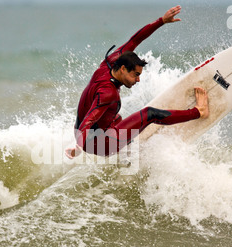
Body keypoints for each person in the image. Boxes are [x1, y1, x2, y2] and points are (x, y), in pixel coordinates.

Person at [65, 5, 209, 159]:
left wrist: (161, 21)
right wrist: (78, 147)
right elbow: (91, 118)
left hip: (83, 133)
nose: (138, 80)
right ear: (122, 69)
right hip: (99, 145)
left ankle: (125, 146)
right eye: (135, 75)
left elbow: (135, 40)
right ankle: (198, 112)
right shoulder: (108, 93)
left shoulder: (108, 63)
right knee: (150, 114)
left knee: (116, 117)